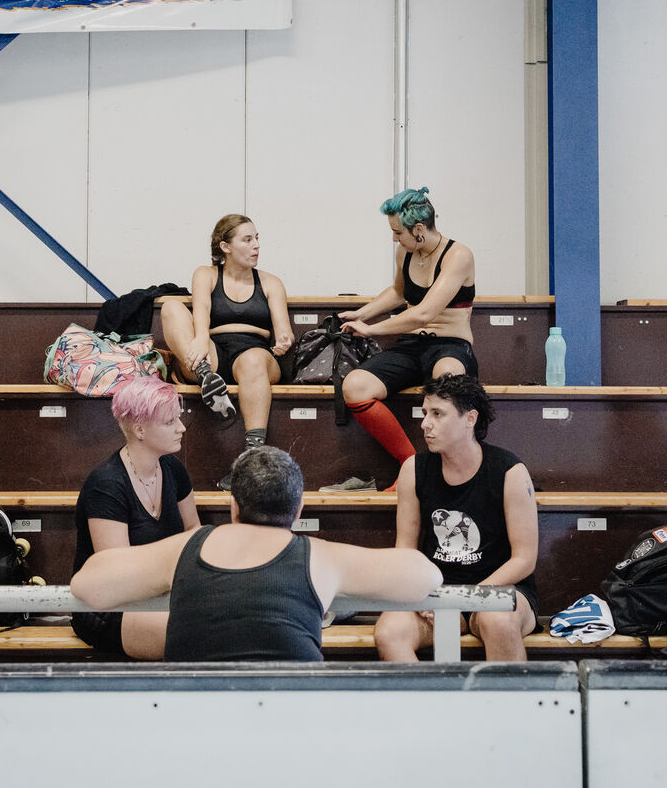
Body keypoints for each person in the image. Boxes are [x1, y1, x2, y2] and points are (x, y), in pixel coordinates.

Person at [71, 445, 443, 662]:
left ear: (233, 507)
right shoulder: (322, 557)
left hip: (195, 721)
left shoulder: (187, 545)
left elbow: (87, 586)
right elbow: (426, 576)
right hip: (290, 721)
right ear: (298, 511)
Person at [374, 374, 539, 661]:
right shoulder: (414, 469)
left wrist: (467, 597)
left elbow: (524, 559)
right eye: (425, 413)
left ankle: (509, 694)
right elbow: (405, 552)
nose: (425, 424)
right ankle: (429, 694)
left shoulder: (509, 471)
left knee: (498, 620)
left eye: (438, 414)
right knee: (389, 632)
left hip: (498, 587)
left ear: (470, 419)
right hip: (436, 591)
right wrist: (420, 594)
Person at [322, 187, 477, 491]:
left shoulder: (458, 255)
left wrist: (371, 329)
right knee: (354, 385)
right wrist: (361, 314)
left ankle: (448, 471)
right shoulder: (406, 252)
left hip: (450, 345)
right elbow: (398, 292)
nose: (394, 238)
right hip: (411, 345)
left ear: (418, 229)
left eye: (397, 232)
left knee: (447, 382)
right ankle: (411, 466)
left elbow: (424, 312)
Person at [160, 214, 294, 488]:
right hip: (212, 353)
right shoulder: (206, 274)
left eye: (257, 238)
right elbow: (202, 311)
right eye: (247, 239)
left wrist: (284, 340)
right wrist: (200, 338)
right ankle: (207, 379)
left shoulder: (271, 282)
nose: (256, 245)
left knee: (253, 360)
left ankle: (251, 458)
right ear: (226, 247)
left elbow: (284, 329)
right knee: (171, 306)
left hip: (255, 353)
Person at [71, 375, 200, 659]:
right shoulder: (106, 484)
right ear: (140, 429)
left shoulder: (173, 469)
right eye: (170, 421)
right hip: (108, 609)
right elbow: (120, 576)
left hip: (162, 596)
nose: (181, 428)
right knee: (195, 633)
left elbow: (193, 531)